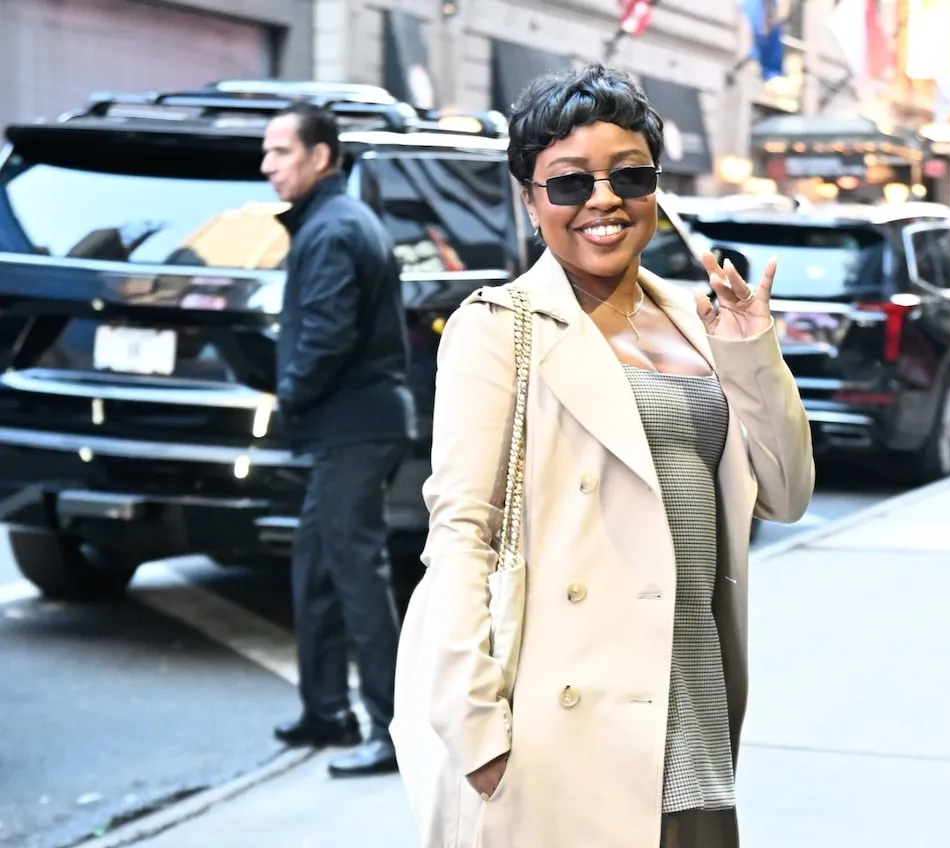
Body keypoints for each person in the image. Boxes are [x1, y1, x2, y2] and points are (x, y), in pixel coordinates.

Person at [404, 65, 815, 845]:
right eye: (569, 183)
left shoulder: (699, 322)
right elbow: (462, 532)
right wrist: (475, 729)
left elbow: (788, 496)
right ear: (530, 200)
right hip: (555, 729)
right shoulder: (500, 326)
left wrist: (753, 353)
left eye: (630, 175)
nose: (603, 200)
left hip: (691, 710)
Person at [261, 103, 410, 777]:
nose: (268, 167)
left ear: (322, 157)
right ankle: (327, 711)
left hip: (355, 427)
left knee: (356, 577)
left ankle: (395, 729)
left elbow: (327, 334)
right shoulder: (333, 222)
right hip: (352, 427)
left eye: (281, 152)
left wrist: (287, 394)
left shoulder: (332, 230)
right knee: (316, 567)